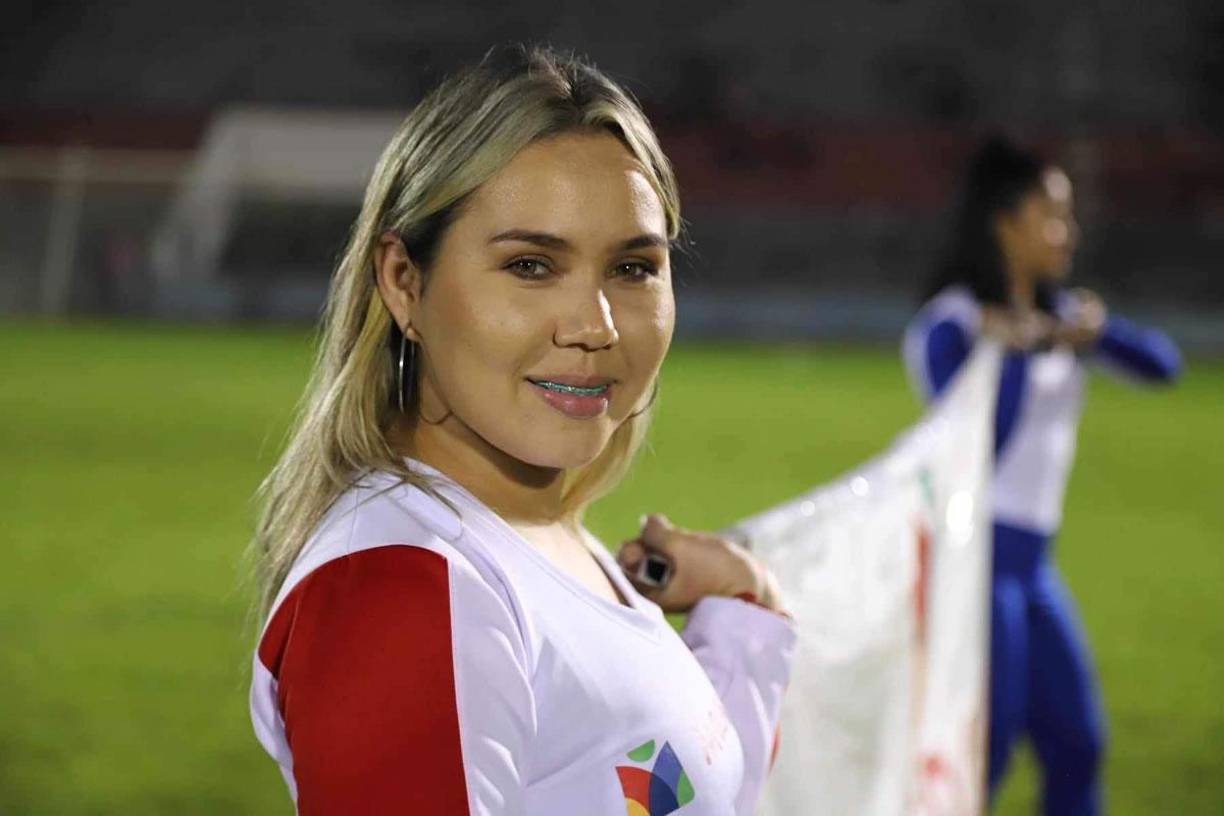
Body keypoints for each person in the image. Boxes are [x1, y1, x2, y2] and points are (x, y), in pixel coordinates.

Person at [248, 46, 796, 816]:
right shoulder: (402, 592)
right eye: (532, 266)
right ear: (405, 282)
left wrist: (745, 616)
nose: (594, 326)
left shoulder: (538, 538)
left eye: (633, 268)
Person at [903, 136, 1181, 815]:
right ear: (1005, 221)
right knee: (982, 756)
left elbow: (1163, 366)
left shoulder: (1062, 317)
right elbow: (980, 448)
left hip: (1034, 567)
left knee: (1077, 745)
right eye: (1054, 214)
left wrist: (1096, 332)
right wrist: (1016, 351)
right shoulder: (954, 325)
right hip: (976, 564)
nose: (1070, 231)